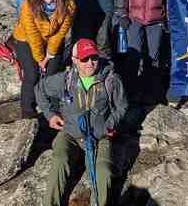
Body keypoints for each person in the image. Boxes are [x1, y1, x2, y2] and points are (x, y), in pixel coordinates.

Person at [35, 39, 127, 206]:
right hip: (70, 133)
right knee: (59, 159)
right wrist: (50, 115)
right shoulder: (65, 80)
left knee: (103, 171)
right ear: (74, 60)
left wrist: (108, 125)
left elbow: (121, 106)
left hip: (100, 136)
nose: (90, 63)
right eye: (84, 59)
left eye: (94, 58)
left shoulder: (111, 80)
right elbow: (39, 89)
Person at [12, 0, 75, 118]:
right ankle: (28, 111)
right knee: (32, 74)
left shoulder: (69, 5)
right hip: (25, 40)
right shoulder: (28, 5)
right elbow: (32, 34)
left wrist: (49, 55)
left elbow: (60, 33)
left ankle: (53, 111)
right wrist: (40, 58)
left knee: (52, 74)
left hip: (51, 42)